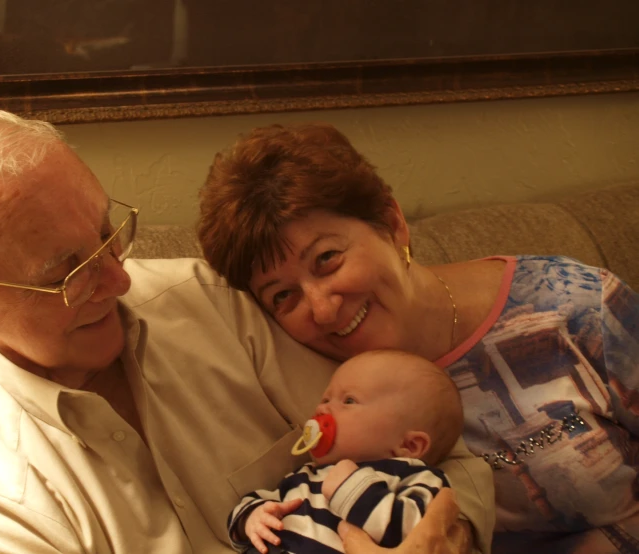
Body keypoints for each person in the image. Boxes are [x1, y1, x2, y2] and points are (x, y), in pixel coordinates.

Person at [0, 109, 479, 554]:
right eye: (70, 274)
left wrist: (449, 535)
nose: (118, 278)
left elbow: (434, 445)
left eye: (108, 232)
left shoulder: (210, 304)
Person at [197, 122, 639, 553]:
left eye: (327, 258)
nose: (322, 308)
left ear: (392, 223)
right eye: (283, 295)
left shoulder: (573, 305)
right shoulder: (308, 386)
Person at [229, 349, 492, 554]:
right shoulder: (304, 477)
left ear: (409, 446)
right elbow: (262, 500)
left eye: (349, 401)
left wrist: (352, 488)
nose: (322, 410)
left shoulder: (416, 479)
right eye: (325, 399)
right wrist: (252, 517)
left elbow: (414, 534)